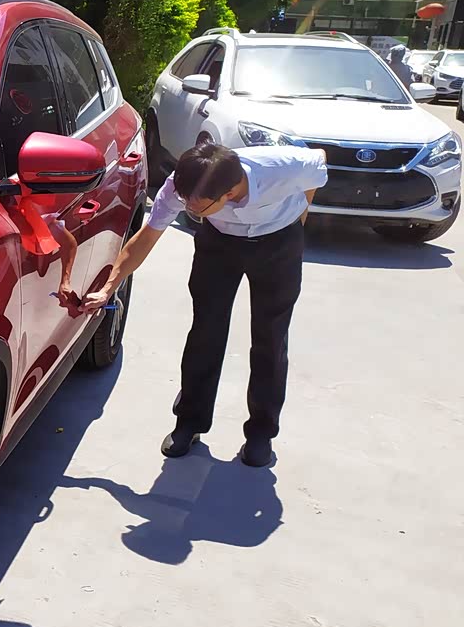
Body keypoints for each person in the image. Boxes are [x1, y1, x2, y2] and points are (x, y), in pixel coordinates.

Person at [80, 141, 327, 468]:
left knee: (270, 337)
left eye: (197, 208)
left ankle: (261, 433)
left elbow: (318, 163)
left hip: (278, 244)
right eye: (187, 203)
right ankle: (189, 422)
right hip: (219, 244)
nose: (189, 209)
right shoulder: (183, 187)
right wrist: (108, 288)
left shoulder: (281, 167)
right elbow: (146, 238)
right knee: (205, 332)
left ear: (230, 193)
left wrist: (299, 219)